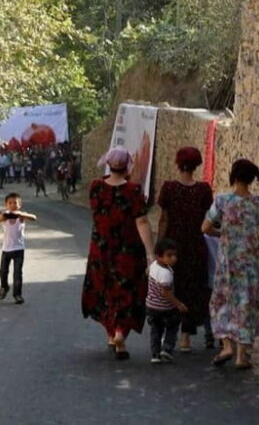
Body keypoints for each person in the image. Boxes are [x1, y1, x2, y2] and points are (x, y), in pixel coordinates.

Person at [82, 148, 155, 361]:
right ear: (127, 167)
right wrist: (150, 253)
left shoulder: (96, 188)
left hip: (101, 248)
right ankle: (120, 332)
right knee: (127, 290)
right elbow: (141, 222)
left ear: (109, 164)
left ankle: (111, 333)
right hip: (128, 250)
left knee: (104, 289)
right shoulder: (133, 191)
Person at [202, 159, 259, 370]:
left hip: (228, 264)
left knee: (221, 303)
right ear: (253, 179)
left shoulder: (222, 200)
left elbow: (205, 227)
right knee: (247, 305)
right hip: (251, 265)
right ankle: (242, 355)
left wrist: (221, 233)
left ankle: (226, 346)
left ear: (233, 176)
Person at [156, 147, 214, 352]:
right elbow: (208, 219)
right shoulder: (204, 190)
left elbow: (164, 219)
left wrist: (159, 247)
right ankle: (186, 337)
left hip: (173, 247)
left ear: (177, 163)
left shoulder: (169, 188)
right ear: (197, 164)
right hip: (196, 246)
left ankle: (169, 335)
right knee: (192, 289)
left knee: (172, 287)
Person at [0, 192, 38, 304]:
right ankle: (4, 287)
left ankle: (17, 295)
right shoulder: (4, 216)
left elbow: (34, 217)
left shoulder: (21, 216)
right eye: (10, 203)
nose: (12, 205)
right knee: (3, 271)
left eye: (15, 203)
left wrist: (22, 215)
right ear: (6, 204)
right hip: (6, 249)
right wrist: (1, 217)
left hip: (18, 249)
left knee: (17, 273)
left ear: (19, 205)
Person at [147, 239, 189, 364]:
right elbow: (165, 293)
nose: (173, 258)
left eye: (175, 255)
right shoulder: (166, 273)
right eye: (169, 255)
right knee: (172, 326)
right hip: (165, 307)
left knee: (156, 330)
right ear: (159, 256)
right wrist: (178, 304)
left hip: (151, 306)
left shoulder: (154, 265)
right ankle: (167, 348)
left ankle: (155, 354)